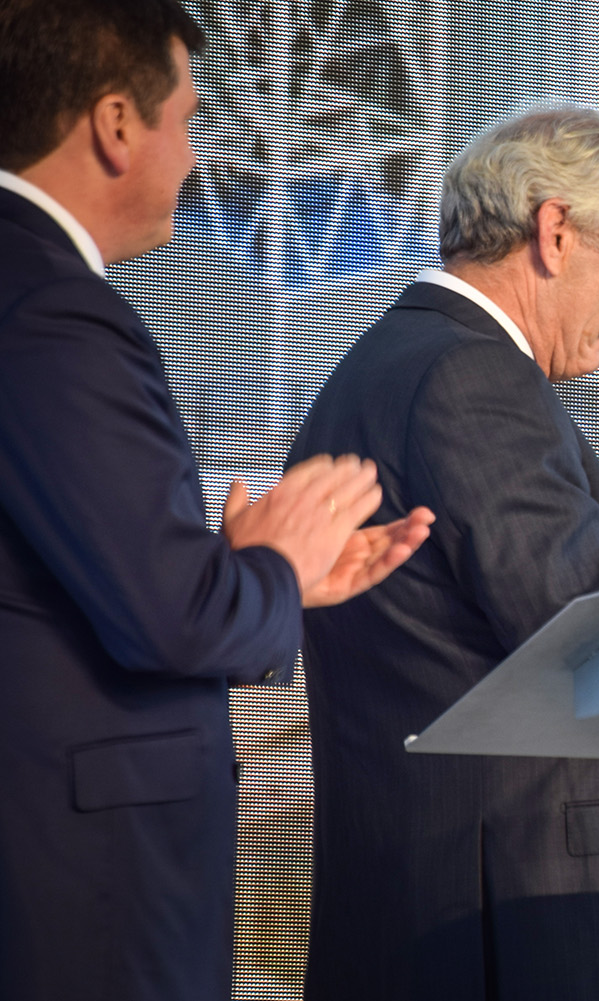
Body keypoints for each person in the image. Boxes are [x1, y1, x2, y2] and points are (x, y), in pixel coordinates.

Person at [0, 2, 433, 999]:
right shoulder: (55, 309)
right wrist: (270, 566)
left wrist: (257, 576)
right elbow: (172, 617)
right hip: (85, 902)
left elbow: (88, 581)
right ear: (116, 123)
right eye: (190, 120)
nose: (197, 157)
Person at [288, 106, 599, 1001]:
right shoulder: (470, 377)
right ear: (555, 231)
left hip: (446, 917)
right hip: (532, 929)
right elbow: (598, 642)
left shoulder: (392, 365)